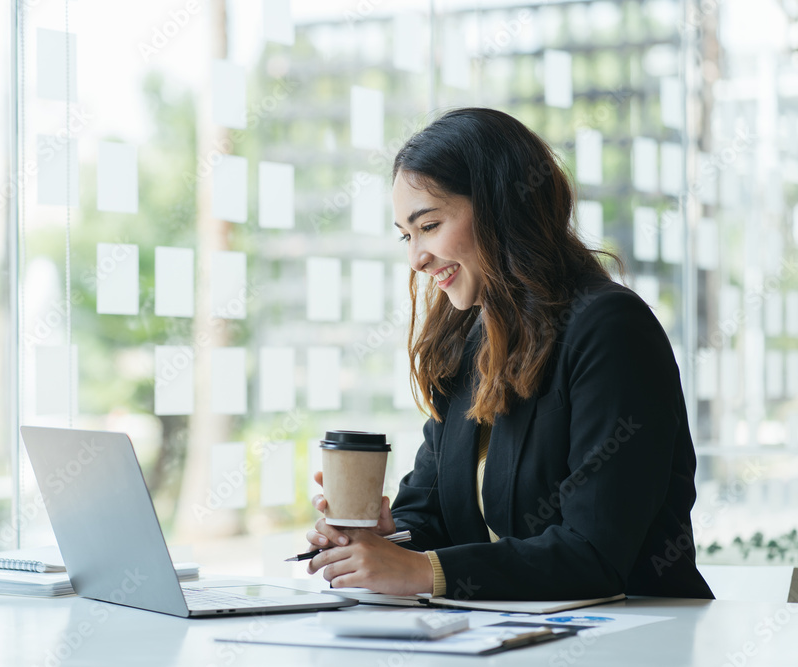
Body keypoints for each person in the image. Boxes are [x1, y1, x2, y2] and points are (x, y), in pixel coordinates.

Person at [306, 108, 714, 600]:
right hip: (511, 637)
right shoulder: (464, 339)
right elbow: (433, 516)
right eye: (406, 236)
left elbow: (595, 554)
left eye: (430, 225)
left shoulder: (610, 330)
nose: (416, 258)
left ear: (502, 207)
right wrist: (381, 541)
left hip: (632, 636)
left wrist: (417, 572)